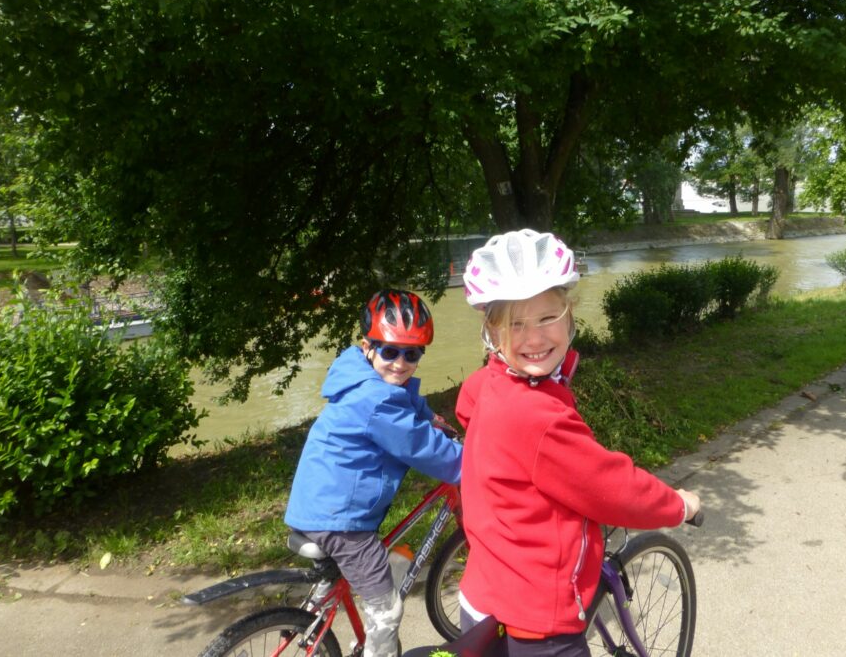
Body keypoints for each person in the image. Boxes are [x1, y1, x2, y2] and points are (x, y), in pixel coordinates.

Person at [455, 229, 701, 657]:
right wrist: (679, 505)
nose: (534, 338)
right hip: (539, 622)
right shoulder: (536, 416)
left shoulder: (486, 386)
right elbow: (611, 488)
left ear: (569, 316)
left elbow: (466, 411)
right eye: (516, 323)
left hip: (483, 596)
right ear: (493, 333)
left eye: (547, 317)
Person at [285, 289, 462, 657]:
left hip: (317, 506)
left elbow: (408, 400)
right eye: (390, 351)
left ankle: (308, 621)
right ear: (369, 346)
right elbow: (424, 449)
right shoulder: (377, 401)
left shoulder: (361, 377)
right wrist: (476, 463)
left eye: (411, 354)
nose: (400, 363)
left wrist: (432, 418)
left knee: (363, 571)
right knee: (387, 610)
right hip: (342, 521)